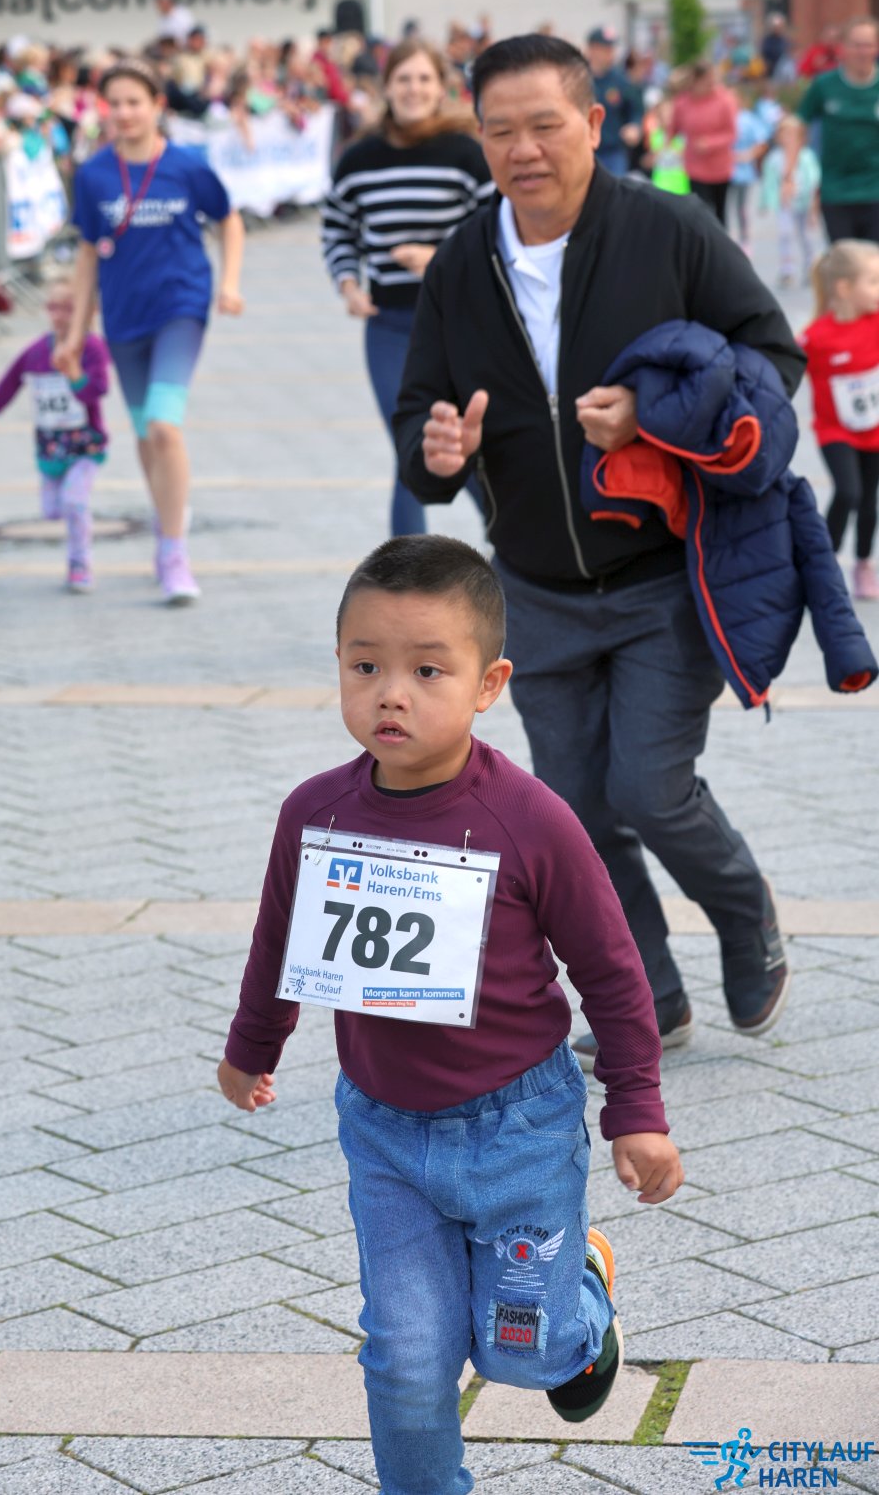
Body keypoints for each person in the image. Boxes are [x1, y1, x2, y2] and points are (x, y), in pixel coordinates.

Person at [218, 533, 684, 1495]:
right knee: (406, 1356)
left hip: (520, 1128)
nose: (391, 694)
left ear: (488, 685)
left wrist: (635, 1108)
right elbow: (280, 942)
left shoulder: (530, 819)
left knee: (525, 1353)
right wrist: (252, 1047)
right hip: (384, 1134)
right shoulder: (315, 814)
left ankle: (582, 1297)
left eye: (428, 671)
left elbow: (611, 970)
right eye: (366, 667)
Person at [393, 34, 804, 1066]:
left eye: (545, 125)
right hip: (532, 588)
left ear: (592, 122)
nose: (523, 149)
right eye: (500, 131)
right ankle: (647, 996)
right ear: (478, 138)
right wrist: (434, 451)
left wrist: (652, 418)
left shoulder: (668, 229)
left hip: (662, 575)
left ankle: (744, 908)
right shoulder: (463, 261)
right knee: (575, 812)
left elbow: (772, 355)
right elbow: (419, 410)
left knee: (648, 788)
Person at [54, 56, 245, 605]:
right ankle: (168, 517)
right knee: (144, 433)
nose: (124, 113)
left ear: (158, 105)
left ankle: (173, 551)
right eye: (114, 103)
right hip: (123, 317)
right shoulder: (93, 174)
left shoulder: (187, 166)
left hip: (181, 308)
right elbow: (88, 255)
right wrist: (75, 333)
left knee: (164, 426)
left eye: (134, 102)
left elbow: (229, 219)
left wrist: (229, 283)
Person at [320, 37, 493, 536]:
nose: (413, 89)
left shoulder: (468, 154)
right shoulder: (359, 158)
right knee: (411, 443)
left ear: (441, 88)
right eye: (403, 79)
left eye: (423, 79)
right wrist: (348, 283)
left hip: (462, 323)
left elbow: (497, 231)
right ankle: (407, 567)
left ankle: (511, 546)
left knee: (462, 441)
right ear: (387, 87)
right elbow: (337, 228)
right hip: (391, 325)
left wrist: (439, 258)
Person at [0, 279, 109, 593]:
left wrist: (75, 374)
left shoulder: (92, 348)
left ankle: (79, 563)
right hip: (50, 447)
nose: (59, 316)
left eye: (68, 309)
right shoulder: (36, 351)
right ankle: (73, 525)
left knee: (74, 502)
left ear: (87, 312)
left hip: (86, 446)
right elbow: (11, 380)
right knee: (52, 511)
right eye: (53, 308)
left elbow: (98, 390)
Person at [800, 241, 879, 601]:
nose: (878, 290)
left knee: (868, 501)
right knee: (848, 492)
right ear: (844, 288)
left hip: (874, 431)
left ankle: (863, 564)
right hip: (835, 431)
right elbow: (783, 364)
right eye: (873, 282)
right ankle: (824, 566)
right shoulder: (816, 337)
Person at [798, 18, 879, 246]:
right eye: (856, 45)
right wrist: (790, 172)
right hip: (837, 191)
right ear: (843, 48)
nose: (862, 51)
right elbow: (799, 123)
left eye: (868, 45)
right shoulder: (824, 85)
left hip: (875, 189)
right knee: (844, 259)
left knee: (874, 261)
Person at [671, 59, 737, 224]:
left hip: (720, 167)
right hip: (695, 167)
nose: (711, 86)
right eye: (707, 82)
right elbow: (673, 129)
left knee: (720, 214)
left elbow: (732, 133)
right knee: (700, 213)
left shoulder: (724, 100)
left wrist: (710, 143)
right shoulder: (683, 103)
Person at [760, 114, 820, 288]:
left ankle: (810, 267)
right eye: (784, 134)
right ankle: (787, 269)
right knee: (785, 235)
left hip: (804, 202)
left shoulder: (807, 156)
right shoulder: (775, 158)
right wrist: (765, 202)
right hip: (785, 204)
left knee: (806, 236)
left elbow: (814, 180)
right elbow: (769, 181)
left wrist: (814, 205)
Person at [584, 26, 642, 176]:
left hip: (613, 151)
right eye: (605, 49)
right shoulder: (579, 78)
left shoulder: (621, 80)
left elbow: (635, 109)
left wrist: (634, 126)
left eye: (611, 49)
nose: (610, 54)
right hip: (584, 150)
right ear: (592, 49)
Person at [729, 99, 767, 255]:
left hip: (743, 174)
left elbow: (762, 143)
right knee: (724, 208)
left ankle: (744, 240)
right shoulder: (719, 117)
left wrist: (748, 155)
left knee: (741, 208)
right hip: (722, 172)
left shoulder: (748, 119)